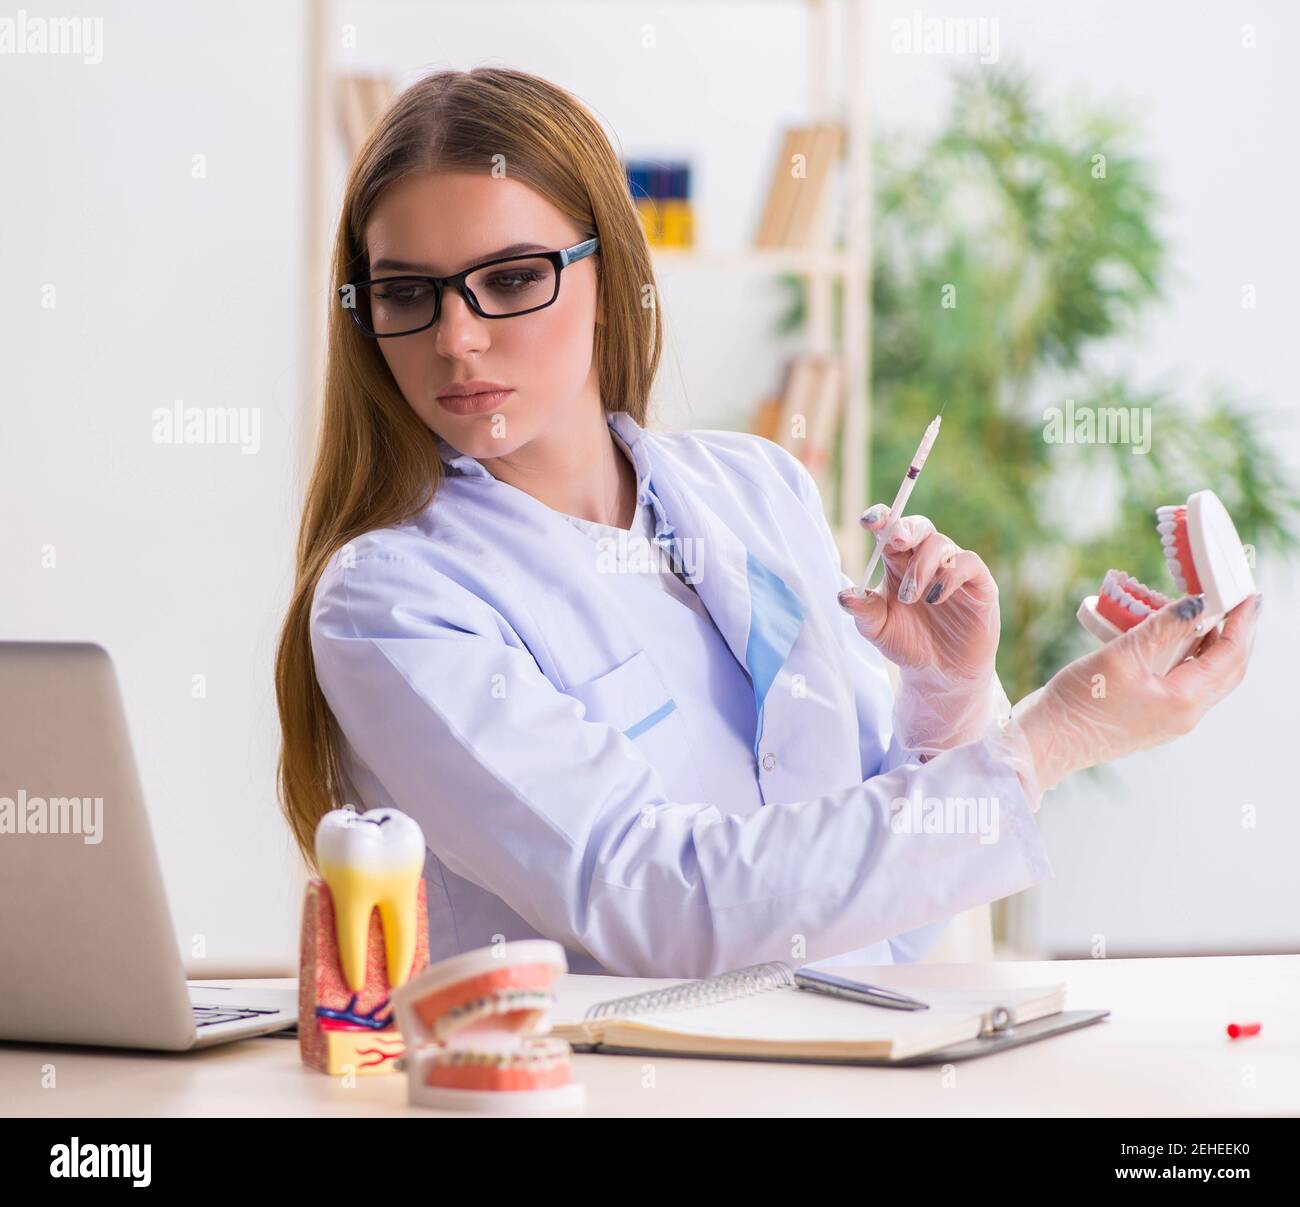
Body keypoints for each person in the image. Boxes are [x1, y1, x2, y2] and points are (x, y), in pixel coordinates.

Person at [274, 67, 1260, 979]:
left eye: (512, 278)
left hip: (859, 1071)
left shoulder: (758, 486)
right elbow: (653, 899)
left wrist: (943, 693)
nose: (456, 336)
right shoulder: (393, 601)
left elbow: (887, 912)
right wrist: (1058, 735)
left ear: (610, 278)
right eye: (406, 292)